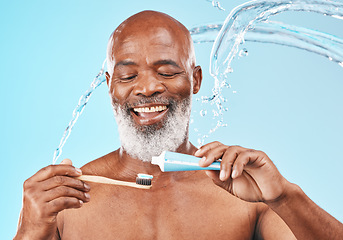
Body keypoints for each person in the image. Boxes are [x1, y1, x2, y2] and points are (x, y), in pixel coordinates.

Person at [14, 10, 343, 240]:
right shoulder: (68, 200)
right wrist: (28, 232)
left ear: (196, 80)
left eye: (167, 72)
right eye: (128, 76)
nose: (147, 88)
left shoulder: (246, 196)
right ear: (110, 85)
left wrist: (285, 197)